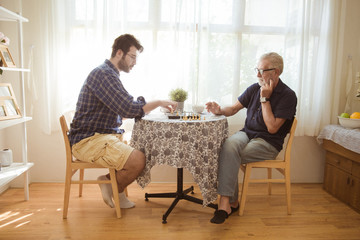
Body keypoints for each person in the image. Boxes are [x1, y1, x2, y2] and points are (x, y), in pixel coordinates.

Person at [69, 34, 177, 209]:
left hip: (99, 136)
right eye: (132, 57)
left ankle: (114, 188)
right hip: (88, 140)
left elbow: (121, 110)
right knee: (137, 160)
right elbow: (128, 108)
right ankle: (109, 184)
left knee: (138, 148)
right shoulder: (104, 75)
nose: (134, 62)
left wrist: (137, 109)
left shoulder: (109, 74)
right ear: (119, 53)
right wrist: (159, 102)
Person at [206, 52, 297, 224]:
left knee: (230, 155)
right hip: (247, 133)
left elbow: (271, 128)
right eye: (257, 69)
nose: (257, 75)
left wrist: (265, 98)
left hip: (268, 143)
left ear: (276, 72)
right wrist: (219, 110)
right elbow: (233, 109)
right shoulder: (254, 88)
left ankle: (226, 203)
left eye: (262, 70)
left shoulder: (288, 95)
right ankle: (230, 201)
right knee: (228, 147)